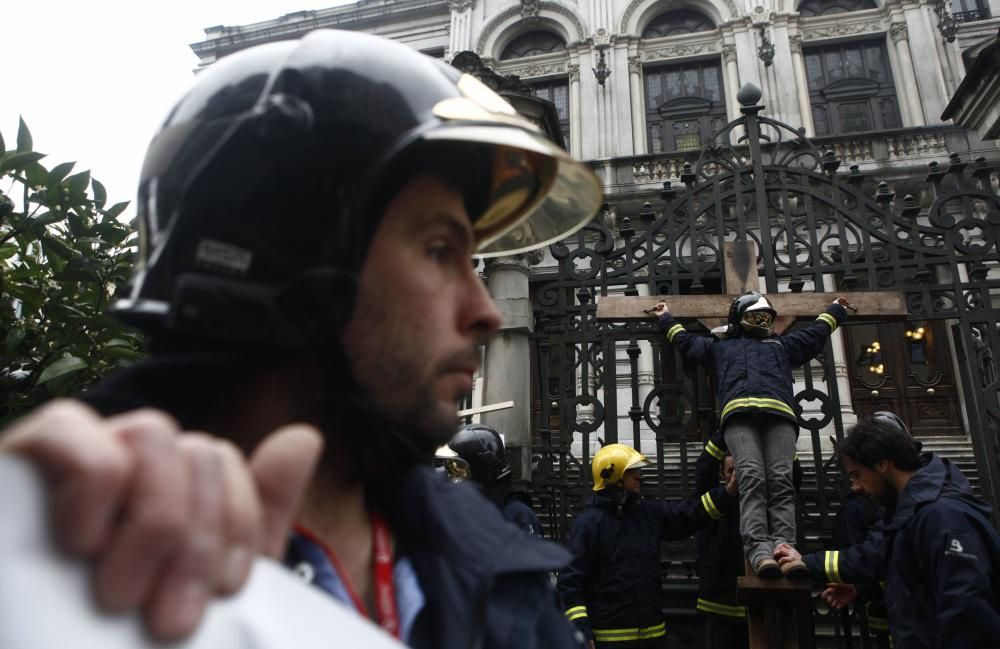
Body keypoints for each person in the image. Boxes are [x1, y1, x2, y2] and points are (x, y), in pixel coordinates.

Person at [0, 28, 603, 648]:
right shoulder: (66, 547)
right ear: (287, 261)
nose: (486, 312)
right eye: (439, 250)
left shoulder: (488, 556)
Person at [652, 292, 849, 578]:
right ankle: (758, 550)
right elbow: (687, 344)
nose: (761, 322)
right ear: (738, 318)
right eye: (755, 316)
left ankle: (784, 548)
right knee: (752, 476)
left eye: (765, 317)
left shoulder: (781, 346)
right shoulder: (721, 348)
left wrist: (836, 311)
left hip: (779, 415)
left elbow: (814, 335)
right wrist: (666, 318)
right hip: (739, 416)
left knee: (781, 479)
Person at [775, 413, 1000, 649]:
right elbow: (879, 556)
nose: (857, 487)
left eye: (857, 475)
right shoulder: (911, 510)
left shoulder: (942, 516)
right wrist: (853, 586)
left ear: (882, 463)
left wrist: (804, 562)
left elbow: (968, 612)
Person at [558, 443, 738, 648]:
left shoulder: (647, 513)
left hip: (653, 638)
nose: (639, 476)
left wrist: (728, 492)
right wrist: (581, 630)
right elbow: (570, 582)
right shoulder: (589, 525)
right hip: (610, 641)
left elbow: (690, 515)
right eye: (632, 471)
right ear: (614, 475)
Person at [693, 430, 803, 649]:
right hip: (721, 601)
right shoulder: (717, 500)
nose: (738, 475)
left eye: (742, 469)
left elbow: (794, 476)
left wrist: (776, 435)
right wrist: (728, 429)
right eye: (732, 470)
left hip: (765, 597)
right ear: (723, 474)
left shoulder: (768, 499)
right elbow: (703, 471)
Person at [436, 423, 543, 536]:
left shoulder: (517, 514)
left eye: (458, 468)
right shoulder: (464, 508)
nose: (450, 475)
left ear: (481, 465)